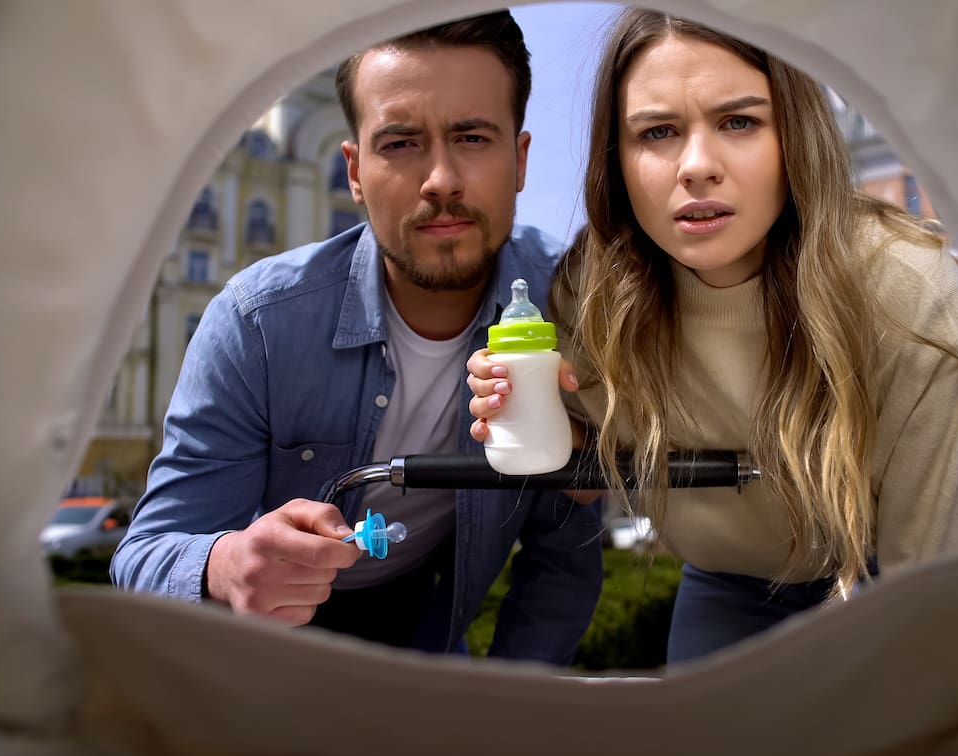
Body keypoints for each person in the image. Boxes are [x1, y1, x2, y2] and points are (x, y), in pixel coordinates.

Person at [467, 9, 958, 664]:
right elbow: (589, 476)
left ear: (794, 133)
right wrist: (541, 421)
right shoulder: (591, 293)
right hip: (726, 584)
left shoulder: (904, 289)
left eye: (739, 121)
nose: (697, 166)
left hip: (884, 579)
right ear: (616, 159)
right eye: (658, 131)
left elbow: (929, 597)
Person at [111, 11, 603, 665]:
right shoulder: (260, 321)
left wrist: (504, 729)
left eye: (472, 137)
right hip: (253, 650)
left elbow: (563, 557)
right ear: (353, 170)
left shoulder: (570, 305)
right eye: (400, 142)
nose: (440, 180)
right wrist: (227, 564)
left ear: (519, 159)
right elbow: (147, 553)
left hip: (426, 631)